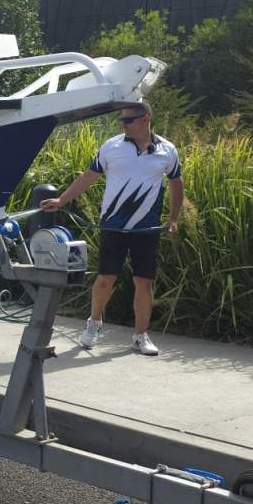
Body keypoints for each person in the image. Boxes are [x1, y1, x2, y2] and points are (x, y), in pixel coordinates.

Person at [40, 100, 183, 356]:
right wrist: (61, 200)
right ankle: (94, 323)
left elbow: (176, 183)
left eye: (128, 120)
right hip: (113, 226)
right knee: (106, 279)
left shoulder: (167, 150)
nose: (123, 124)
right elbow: (88, 176)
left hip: (146, 229)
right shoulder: (112, 146)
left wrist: (173, 218)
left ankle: (140, 336)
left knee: (144, 282)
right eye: (122, 120)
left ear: (145, 118)